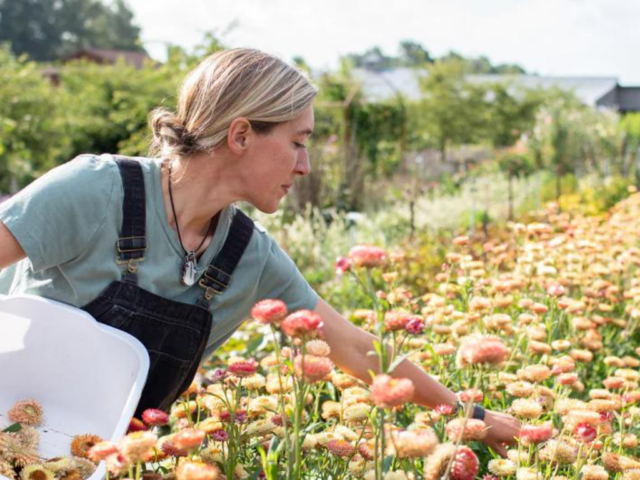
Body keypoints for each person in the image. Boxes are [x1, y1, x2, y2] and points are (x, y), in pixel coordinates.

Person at [0, 48, 519, 455]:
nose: (305, 166)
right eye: (298, 141)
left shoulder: (248, 257)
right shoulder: (96, 192)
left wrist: (470, 415)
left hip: (111, 460)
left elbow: (358, 350)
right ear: (242, 134)